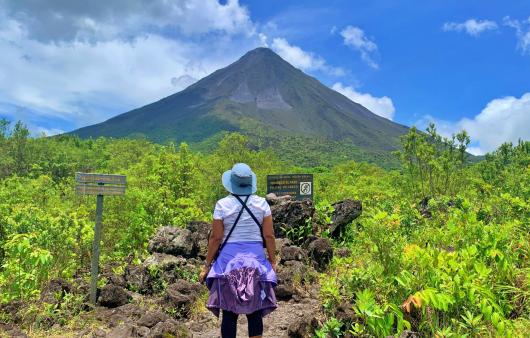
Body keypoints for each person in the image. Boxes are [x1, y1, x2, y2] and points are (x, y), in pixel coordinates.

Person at [199, 163, 277, 338]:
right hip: (255, 263)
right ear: (250, 183)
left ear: (231, 183)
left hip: (228, 264)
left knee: (229, 312)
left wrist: (207, 264)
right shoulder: (261, 204)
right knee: (255, 312)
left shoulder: (222, 205)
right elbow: (269, 236)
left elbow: (216, 238)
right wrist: (272, 261)